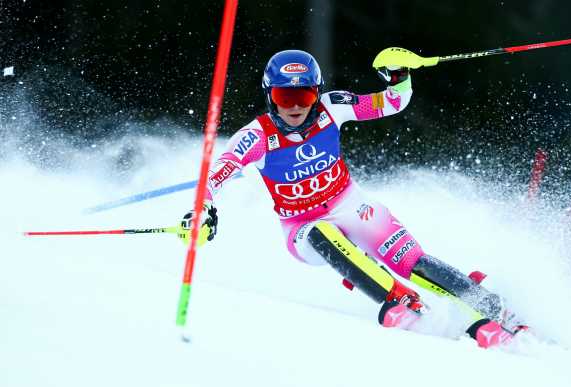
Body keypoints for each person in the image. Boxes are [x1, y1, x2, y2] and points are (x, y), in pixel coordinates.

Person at [181, 49, 527, 348]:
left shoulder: (333, 107)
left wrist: (399, 77)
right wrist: (202, 210)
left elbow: (391, 103)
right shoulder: (256, 136)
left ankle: (493, 309)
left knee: (409, 259)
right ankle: (401, 301)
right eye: (286, 97)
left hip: (350, 205)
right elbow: (216, 174)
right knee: (320, 232)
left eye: (305, 96)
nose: (296, 106)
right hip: (302, 227)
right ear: (270, 96)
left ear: (317, 93)